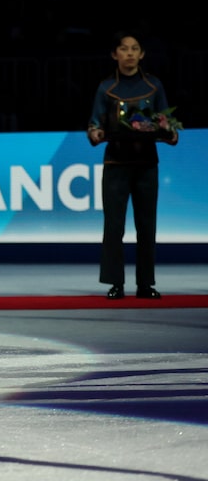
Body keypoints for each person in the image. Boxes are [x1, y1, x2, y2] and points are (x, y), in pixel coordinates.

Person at [87, 29, 180, 301]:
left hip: (146, 164)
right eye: (124, 49)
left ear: (142, 54)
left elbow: (166, 122)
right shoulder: (106, 88)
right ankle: (115, 283)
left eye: (134, 48)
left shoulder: (154, 86)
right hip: (116, 163)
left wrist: (170, 132)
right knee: (114, 226)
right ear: (115, 54)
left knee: (146, 225)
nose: (129, 53)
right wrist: (96, 133)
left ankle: (145, 284)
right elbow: (94, 123)